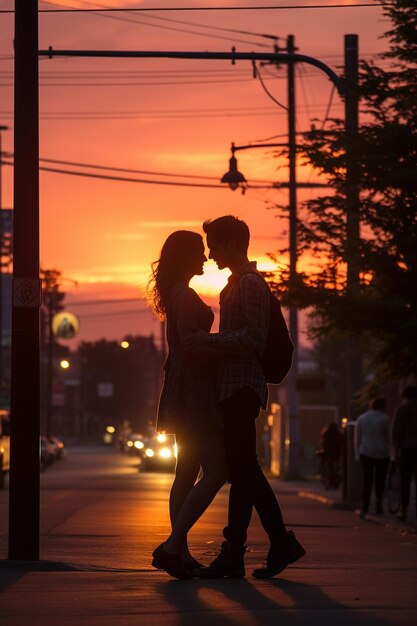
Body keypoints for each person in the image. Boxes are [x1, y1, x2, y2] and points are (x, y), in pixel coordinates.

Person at [186, 215, 305, 579]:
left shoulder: (250, 284)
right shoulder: (235, 284)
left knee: (245, 469)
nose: (210, 254)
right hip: (232, 388)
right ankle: (234, 553)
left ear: (233, 244)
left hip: (242, 387)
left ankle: (279, 541)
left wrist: (208, 341)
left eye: (214, 246)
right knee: (240, 471)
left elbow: (252, 337)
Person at [148, 230, 226, 579]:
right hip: (193, 390)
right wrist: (223, 346)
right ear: (184, 257)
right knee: (216, 471)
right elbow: (191, 346)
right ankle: (173, 545)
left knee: (186, 472)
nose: (206, 257)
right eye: (198, 251)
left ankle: (179, 550)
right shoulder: (183, 295)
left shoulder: (177, 293)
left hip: (185, 387)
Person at [355, 397, 391, 517]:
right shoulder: (385, 419)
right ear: (383, 406)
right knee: (380, 479)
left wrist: (357, 453)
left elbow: (358, 437)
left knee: (367, 480)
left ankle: (365, 506)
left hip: (366, 452)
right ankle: (379, 505)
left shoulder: (362, 418)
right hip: (382, 453)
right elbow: (389, 437)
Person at [392, 386, 417, 522]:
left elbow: (396, 432)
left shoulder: (401, 409)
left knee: (405, 481)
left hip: (406, 449)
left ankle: (404, 510)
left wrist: (396, 451)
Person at [319, 422, 344, 489]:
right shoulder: (339, 435)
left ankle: (329, 482)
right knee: (336, 468)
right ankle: (335, 481)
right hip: (337, 455)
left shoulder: (326, 434)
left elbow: (324, 444)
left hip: (328, 455)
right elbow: (342, 444)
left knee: (329, 468)